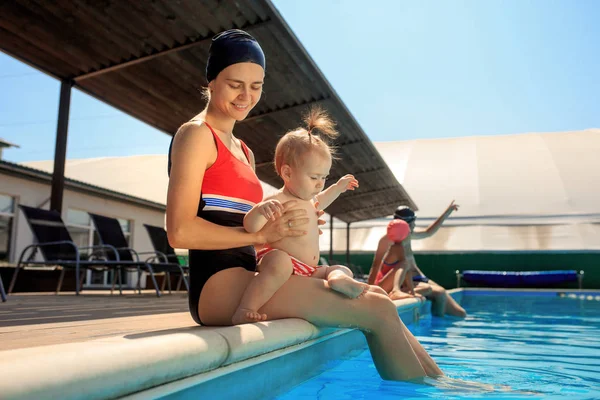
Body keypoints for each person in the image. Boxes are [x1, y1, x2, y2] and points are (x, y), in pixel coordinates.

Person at [166, 29, 442, 380]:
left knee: (378, 299)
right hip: (217, 289)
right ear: (212, 80)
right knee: (373, 309)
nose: (246, 96)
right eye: (235, 83)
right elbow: (179, 231)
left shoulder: (244, 150)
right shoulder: (195, 135)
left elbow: (251, 227)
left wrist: (292, 229)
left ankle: (442, 383)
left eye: (256, 85)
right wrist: (259, 237)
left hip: (252, 277)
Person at [233, 108, 376, 324]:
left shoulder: (310, 202)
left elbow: (323, 199)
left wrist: (338, 188)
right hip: (283, 263)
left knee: (338, 267)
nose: (320, 184)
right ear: (288, 173)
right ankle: (246, 308)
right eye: (314, 177)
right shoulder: (278, 201)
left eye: (324, 178)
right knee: (279, 262)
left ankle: (338, 278)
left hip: (309, 269)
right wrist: (260, 211)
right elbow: (250, 227)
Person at [368, 202, 467, 317]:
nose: (415, 225)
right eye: (413, 223)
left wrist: (447, 213)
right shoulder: (387, 241)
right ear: (407, 224)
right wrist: (369, 290)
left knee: (461, 313)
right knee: (439, 294)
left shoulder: (408, 235)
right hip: (406, 280)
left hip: (419, 277)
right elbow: (376, 266)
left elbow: (428, 232)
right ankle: (436, 325)